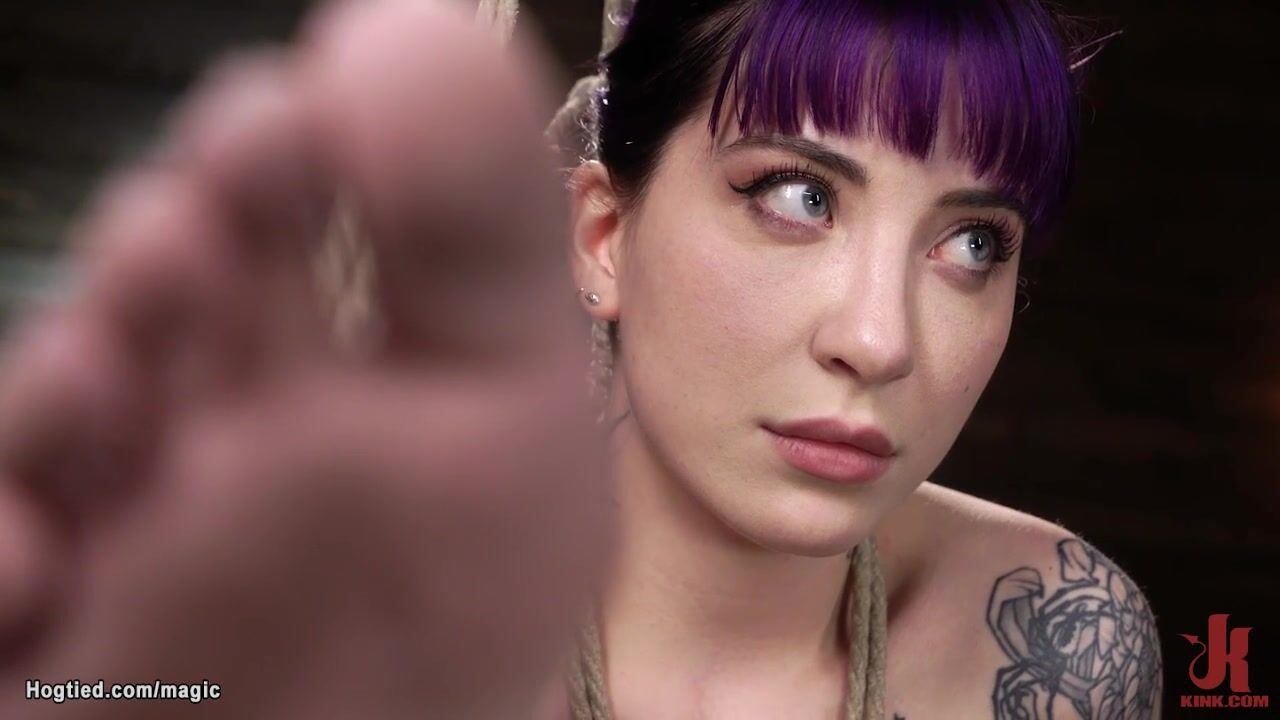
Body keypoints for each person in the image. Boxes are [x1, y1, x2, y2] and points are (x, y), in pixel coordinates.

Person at [0, 0, 1163, 719]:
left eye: (970, 243)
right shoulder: (343, 621)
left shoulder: (1057, 641)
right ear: (604, 235)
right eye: (798, 197)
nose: (877, 339)